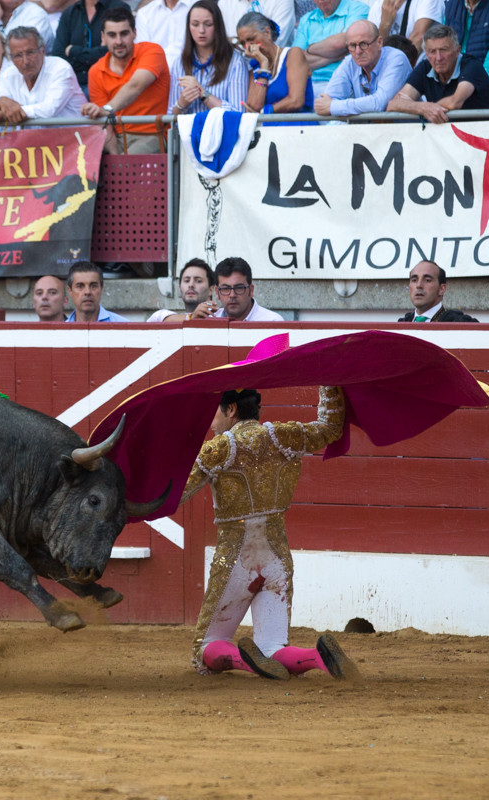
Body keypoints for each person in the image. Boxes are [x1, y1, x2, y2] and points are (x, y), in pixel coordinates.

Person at [182, 384, 359, 681]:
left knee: (206, 647)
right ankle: (317, 656)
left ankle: (246, 661)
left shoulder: (218, 449)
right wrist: (329, 381)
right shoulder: (283, 436)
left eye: (215, 412)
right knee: (274, 646)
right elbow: (330, 427)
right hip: (277, 560)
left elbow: (175, 494)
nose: (211, 422)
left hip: (236, 561)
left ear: (232, 410)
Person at [81, 6, 171, 154]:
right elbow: (105, 125)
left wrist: (106, 109)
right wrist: (116, 161)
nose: (118, 41)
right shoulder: (96, 71)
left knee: (128, 163)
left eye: (124, 34)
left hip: (152, 135)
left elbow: (136, 85)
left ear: (134, 33)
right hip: (117, 139)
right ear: (103, 37)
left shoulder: (152, 51)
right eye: (112, 35)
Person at [387, 24, 489, 122]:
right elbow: (393, 104)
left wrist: (418, 107)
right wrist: (423, 108)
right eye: (432, 51)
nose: (438, 58)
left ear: (457, 51)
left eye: (444, 50)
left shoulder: (472, 66)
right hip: (448, 139)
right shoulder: (425, 67)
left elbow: (455, 102)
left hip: (485, 139)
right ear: (426, 53)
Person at [0, 26, 84, 127]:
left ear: (43, 50)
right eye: (18, 56)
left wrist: (3, 115)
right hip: (37, 142)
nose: (25, 62)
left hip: (78, 140)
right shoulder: (9, 74)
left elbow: (48, 110)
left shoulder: (60, 68)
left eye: (30, 53)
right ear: (11, 57)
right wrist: (0, 102)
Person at [167, 0, 248, 115]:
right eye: (195, 24)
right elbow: (171, 117)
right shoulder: (179, 63)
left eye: (208, 24)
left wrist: (203, 93)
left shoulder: (235, 62)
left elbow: (238, 112)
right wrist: (181, 104)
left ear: (218, 26)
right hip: (189, 132)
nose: (201, 31)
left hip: (222, 132)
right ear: (188, 27)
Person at [314, 19, 410, 114]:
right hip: (368, 128)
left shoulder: (396, 59)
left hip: (406, 128)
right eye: (352, 45)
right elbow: (325, 102)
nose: (358, 51)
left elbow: (379, 103)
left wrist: (334, 106)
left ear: (379, 42)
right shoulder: (349, 62)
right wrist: (332, 106)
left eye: (363, 44)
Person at [239, 11, 314, 114]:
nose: (248, 46)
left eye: (251, 39)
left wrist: (266, 111)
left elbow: (296, 101)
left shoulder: (293, 54)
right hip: (269, 127)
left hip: (298, 125)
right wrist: (264, 65)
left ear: (267, 32)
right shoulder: (256, 68)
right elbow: (254, 106)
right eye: (243, 43)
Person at [293, 0, 370, 95]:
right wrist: (334, 56)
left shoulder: (358, 9)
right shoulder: (306, 19)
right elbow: (294, 59)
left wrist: (308, 50)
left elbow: (340, 43)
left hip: (344, 84)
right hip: (308, 84)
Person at [52, 0, 122, 91]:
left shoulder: (118, 8)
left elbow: (115, 51)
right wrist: (95, 54)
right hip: (74, 84)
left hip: (107, 82)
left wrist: (73, 51)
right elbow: (58, 56)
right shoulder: (70, 12)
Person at [444, 0, 489, 76]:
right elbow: (443, 43)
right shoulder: (451, 5)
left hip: (482, 77)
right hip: (453, 76)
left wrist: (481, 80)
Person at [399, 260, 480, 321]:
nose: (419, 285)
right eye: (414, 280)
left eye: (427, 280)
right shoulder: (400, 326)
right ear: (409, 288)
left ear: (442, 289)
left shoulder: (461, 324)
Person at [210, 257, 283, 321]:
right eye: (225, 289)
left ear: (251, 290)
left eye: (239, 288)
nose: (232, 295)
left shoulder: (272, 322)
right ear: (217, 292)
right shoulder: (209, 320)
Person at [147, 258, 217, 322]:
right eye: (186, 281)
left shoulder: (222, 314)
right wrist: (191, 317)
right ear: (180, 288)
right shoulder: (164, 317)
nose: (191, 285)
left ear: (211, 290)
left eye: (198, 281)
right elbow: (157, 317)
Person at [134, 0, 193, 68]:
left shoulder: (197, 7)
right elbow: (144, 53)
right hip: (156, 73)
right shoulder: (144, 13)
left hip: (191, 70)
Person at [65, 260, 129, 322]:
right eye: (80, 286)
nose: (87, 292)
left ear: (101, 288)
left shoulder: (123, 328)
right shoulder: (62, 331)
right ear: (70, 291)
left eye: (93, 286)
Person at [366, 0, 441, 52]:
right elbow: (374, 48)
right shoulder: (378, 5)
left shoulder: (426, 1)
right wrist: (385, 25)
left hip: (416, 67)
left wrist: (398, 66)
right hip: (387, 67)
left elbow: (419, 37)